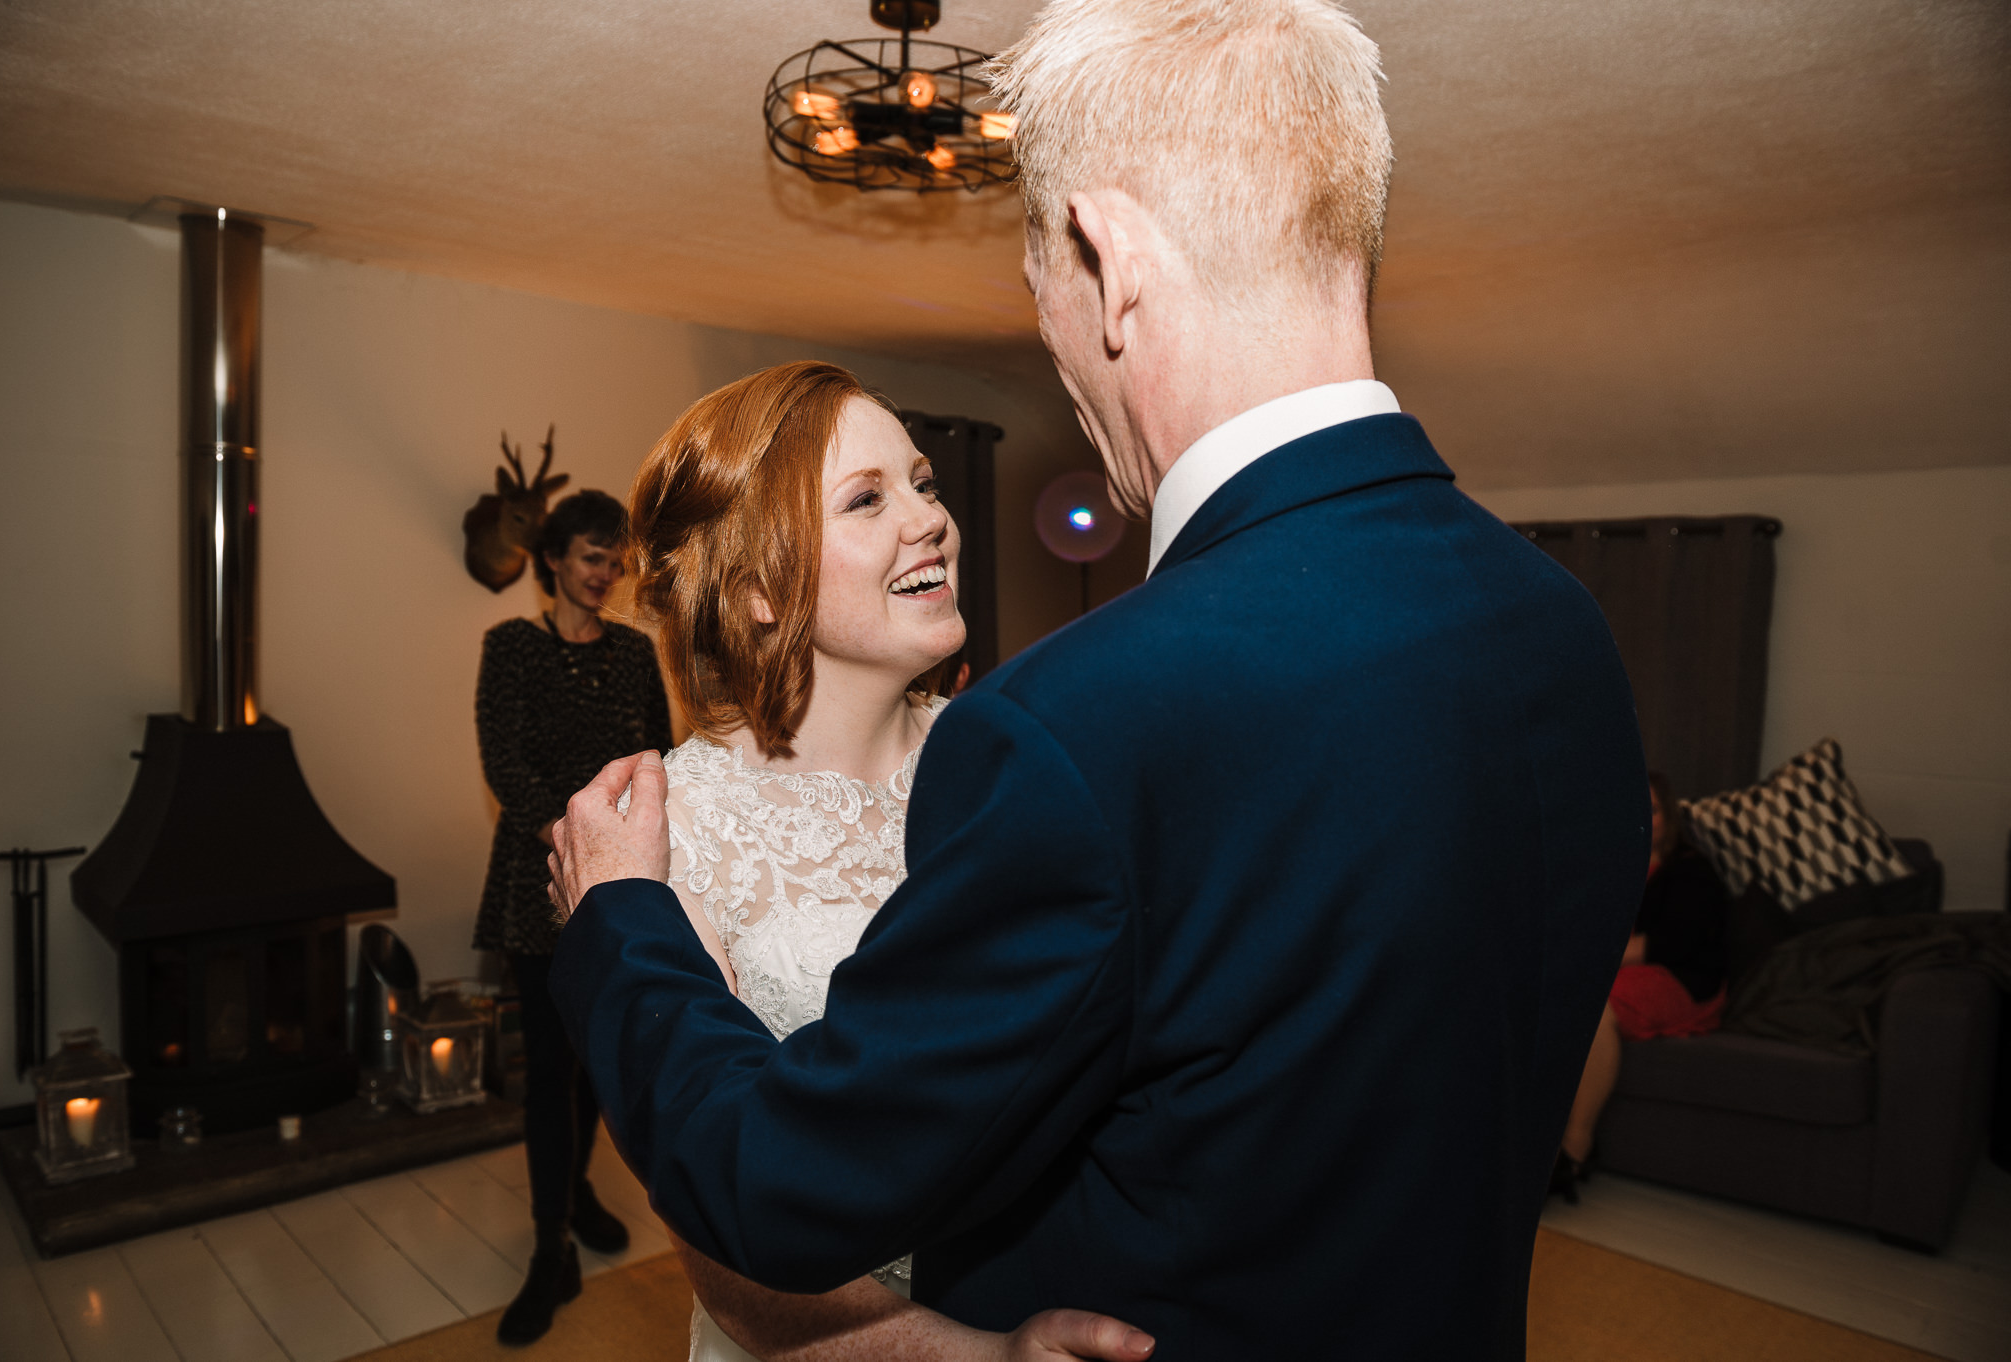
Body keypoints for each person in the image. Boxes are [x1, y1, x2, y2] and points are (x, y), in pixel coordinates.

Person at [549, 1, 1649, 1355]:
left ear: (1111, 260)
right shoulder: (1560, 626)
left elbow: (779, 1179)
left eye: (1043, 300)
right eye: (866, 497)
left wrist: (614, 916)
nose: (1060, 365)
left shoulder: (1069, 729)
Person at [604, 359, 1153, 1361]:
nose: (930, 519)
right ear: (760, 590)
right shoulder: (661, 841)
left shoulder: (1020, 762)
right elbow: (727, 1242)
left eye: (925, 484)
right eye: (867, 498)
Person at [472, 487, 672, 1344]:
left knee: (596, 1060)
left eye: (616, 560)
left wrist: (617, 859)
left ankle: (578, 1190)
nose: (607, 574)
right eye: (593, 557)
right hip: (535, 883)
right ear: (553, 558)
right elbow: (503, 763)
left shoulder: (633, 653)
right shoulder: (511, 645)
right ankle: (549, 1247)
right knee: (550, 1071)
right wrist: (571, 842)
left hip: (614, 887)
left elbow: (657, 756)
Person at [1553, 771, 1730, 1200]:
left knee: (1594, 1006)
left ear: (1668, 815)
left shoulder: (1689, 871)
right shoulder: (1613, 868)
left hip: (1685, 980)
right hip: (1633, 970)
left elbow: (1663, 944)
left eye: (1652, 810)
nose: (1644, 819)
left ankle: (1576, 1146)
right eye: (1635, 810)